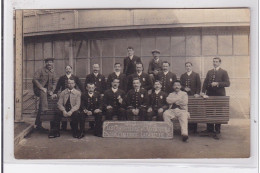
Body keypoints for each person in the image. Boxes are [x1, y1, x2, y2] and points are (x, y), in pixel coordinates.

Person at [201, 57, 230, 139]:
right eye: (214, 61)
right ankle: (209, 129)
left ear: (220, 63)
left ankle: (217, 131)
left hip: (219, 95)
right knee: (209, 111)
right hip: (209, 94)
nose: (215, 63)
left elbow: (227, 83)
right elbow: (205, 82)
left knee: (218, 112)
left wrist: (217, 83)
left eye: (216, 62)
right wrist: (203, 92)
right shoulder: (209, 72)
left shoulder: (224, 72)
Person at [52, 65, 84, 131]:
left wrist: (83, 92)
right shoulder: (62, 78)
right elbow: (58, 87)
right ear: (65, 70)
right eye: (67, 69)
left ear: (71, 69)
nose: (68, 70)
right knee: (64, 109)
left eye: (69, 69)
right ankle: (63, 127)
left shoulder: (75, 77)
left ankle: (73, 128)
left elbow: (80, 86)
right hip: (64, 95)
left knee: (72, 110)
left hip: (73, 96)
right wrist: (55, 93)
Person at [32, 57, 56, 131]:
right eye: (47, 62)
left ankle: (38, 125)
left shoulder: (53, 72)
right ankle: (45, 109)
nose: (49, 63)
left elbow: (54, 83)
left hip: (48, 91)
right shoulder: (40, 70)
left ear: (52, 64)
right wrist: (41, 88)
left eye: (50, 62)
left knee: (54, 97)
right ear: (45, 63)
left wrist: (52, 91)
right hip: (39, 90)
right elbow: (34, 79)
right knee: (43, 95)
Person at [180, 62, 201, 133]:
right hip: (185, 96)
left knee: (193, 111)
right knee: (186, 110)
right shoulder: (183, 75)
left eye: (189, 66)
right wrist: (184, 88)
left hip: (193, 96)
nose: (188, 67)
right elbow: (180, 85)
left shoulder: (196, 75)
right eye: (187, 66)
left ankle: (194, 128)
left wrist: (197, 93)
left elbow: (199, 85)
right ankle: (187, 127)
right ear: (185, 67)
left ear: (192, 67)